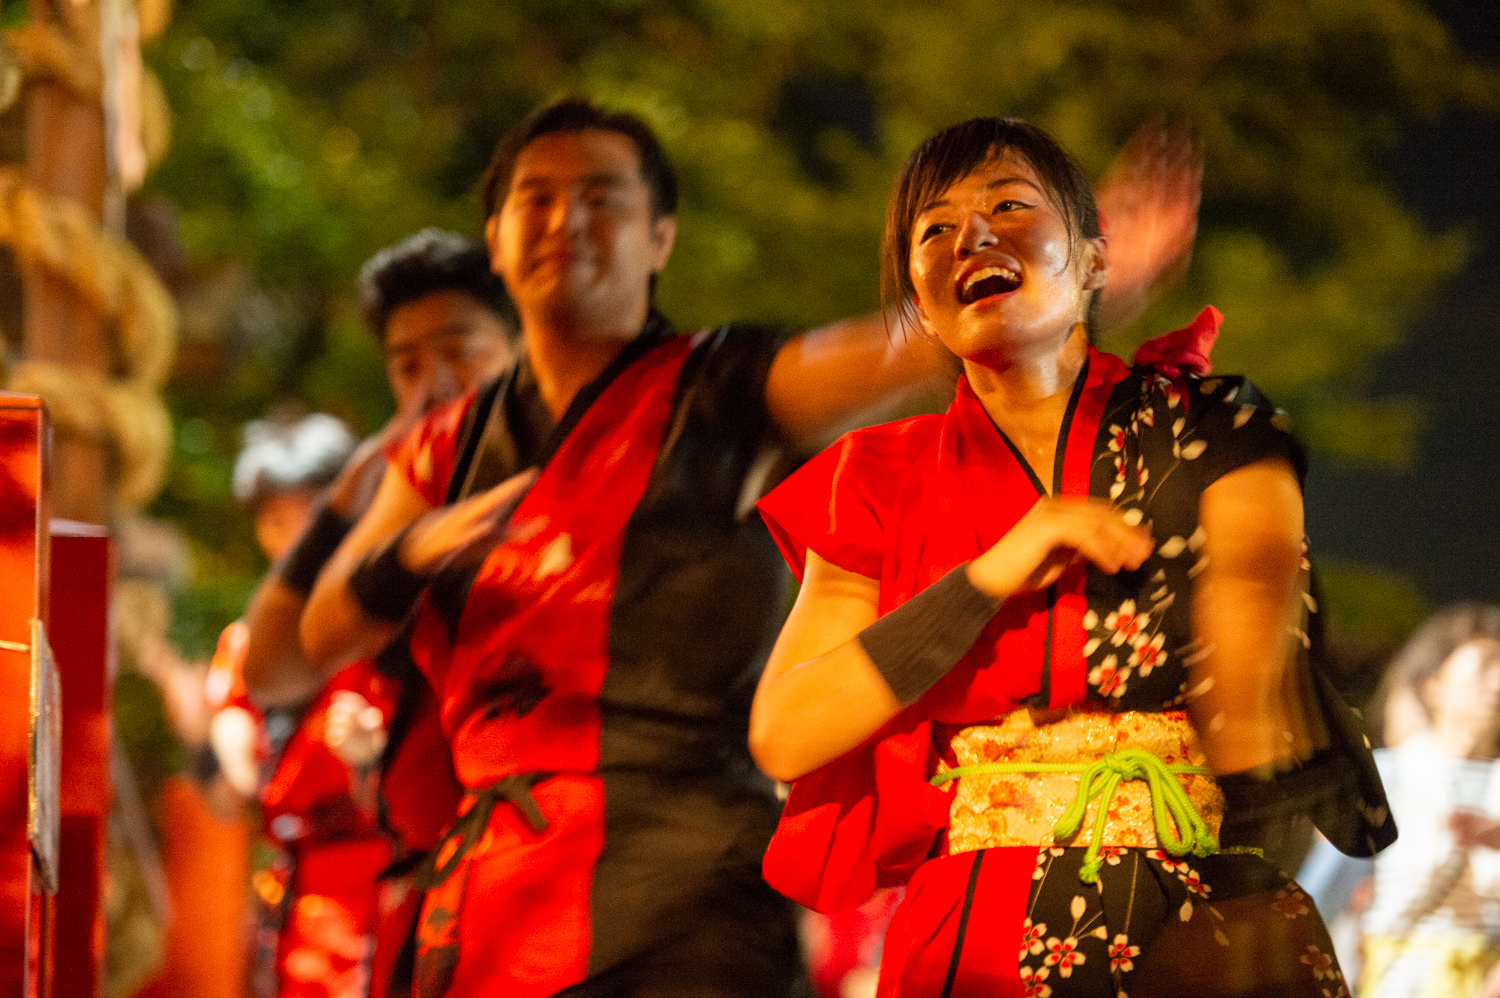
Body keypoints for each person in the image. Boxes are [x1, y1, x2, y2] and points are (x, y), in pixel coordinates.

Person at [299, 99, 1204, 998]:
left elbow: (888, 349)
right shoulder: (442, 447)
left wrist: (1040, 284)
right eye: (536, 199)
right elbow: (302, 641)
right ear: (494, 239)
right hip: (491, 888)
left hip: (682, 886)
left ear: (662, 238)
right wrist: (406, 552)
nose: (566, 220)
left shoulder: (718, 388)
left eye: (601, 197)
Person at [748, 116, 1395, 998]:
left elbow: (1254, 674)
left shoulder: (1210, 430)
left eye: (1009, 205)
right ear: (919, 298)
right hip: (976, 936)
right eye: (932, 230)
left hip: (1197, 906)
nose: (969, 236)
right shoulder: (877, 479)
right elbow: (785, 731)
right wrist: (991, 575)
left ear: (1098, 259)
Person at [237, 230, 517, 998]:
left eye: (462, 351)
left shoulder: (571, 473)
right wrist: (343, 502)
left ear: (525, 339)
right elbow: (272, 669)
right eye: (407, 365)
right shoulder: (399, 506)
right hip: (425, 892)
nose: (435, 383)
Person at [1300, 604, 1500, 998]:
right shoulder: (1383, 778)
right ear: (1433, 684)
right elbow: (1324, 893)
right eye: (1484, 667)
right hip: (1397, 982)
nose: (1496, 683)